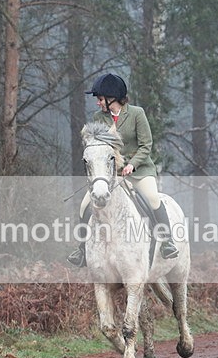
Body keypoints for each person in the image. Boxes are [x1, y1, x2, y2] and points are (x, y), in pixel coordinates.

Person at [68, 73, 179, 267]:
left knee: (153, 199)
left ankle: (167, 242)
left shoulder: (137, 114)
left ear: (113, 98)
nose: (98, 103)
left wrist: (132, 164)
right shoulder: (98, 118)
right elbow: (99, 148)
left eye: (100, 99)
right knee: (84, 206)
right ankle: (82, 249)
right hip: (110, 175)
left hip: (139, 171)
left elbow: (146, 145)